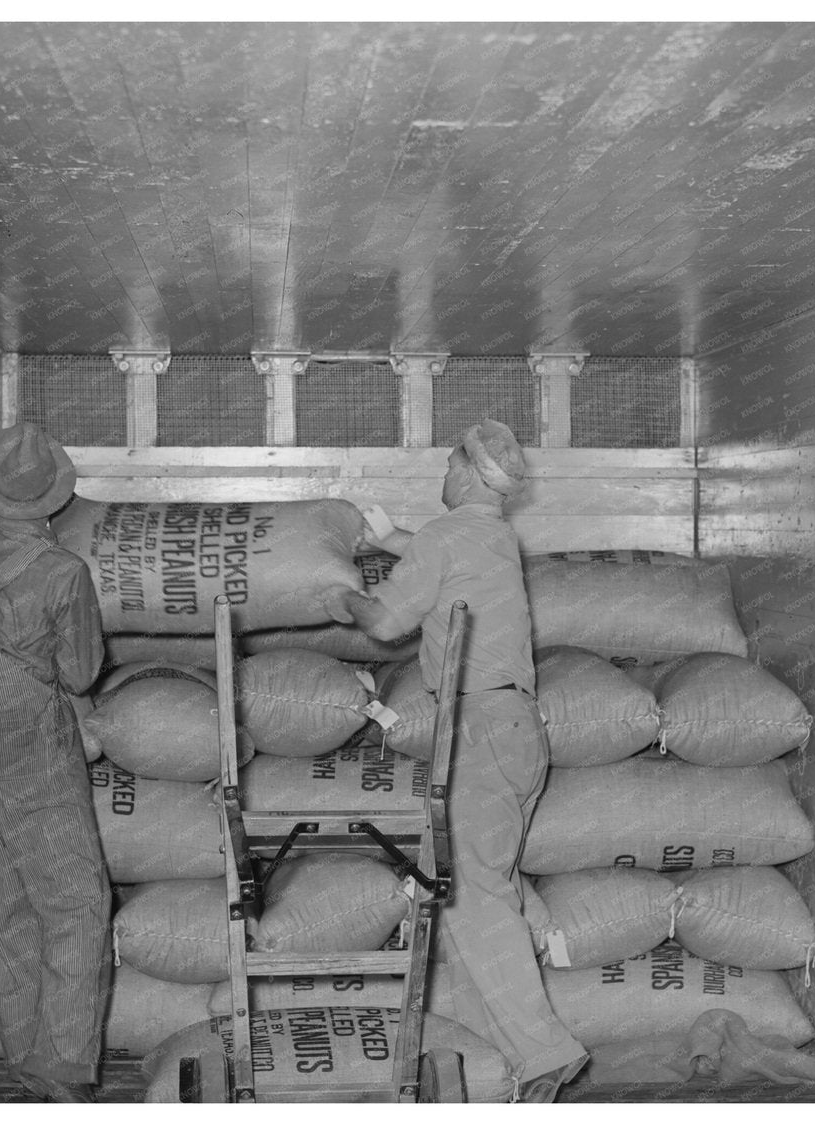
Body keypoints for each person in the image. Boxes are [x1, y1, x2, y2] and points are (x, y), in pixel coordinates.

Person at [321, 420, 589, 1104]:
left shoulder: (452, 537)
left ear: (468, 473)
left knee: (470, 890)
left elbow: (383, 622)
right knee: (463, 889)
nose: (440, 476)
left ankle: (545, 1050)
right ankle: (504, 1063)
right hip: (515, 729)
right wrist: (387, 540)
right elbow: (442, 563)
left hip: (477, 728)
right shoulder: (493, 535)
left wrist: (337, 595)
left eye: (445, 465)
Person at [0, 422, 110, 1103]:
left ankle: (27, 1057)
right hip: (31, 761)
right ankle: (65, 1066)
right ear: (54, 499)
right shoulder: (63, 573)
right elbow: (79, 672)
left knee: (9, 906)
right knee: (78, 908)